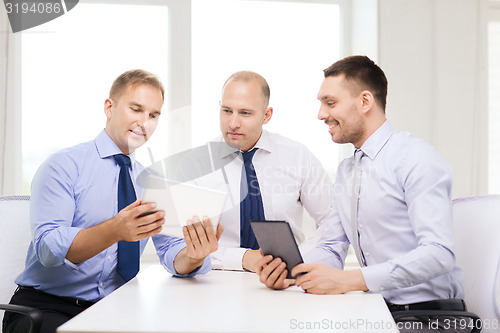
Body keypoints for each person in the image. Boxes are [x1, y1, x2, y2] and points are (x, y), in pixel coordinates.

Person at [256, 56, 471, 332]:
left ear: (365, 101)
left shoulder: (416, 159)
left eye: (330, 103)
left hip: (429, 317)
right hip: (378, 311)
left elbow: (438, 254)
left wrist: (350, 280)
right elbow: (331, 245)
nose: (321, 114)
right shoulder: (348, 170)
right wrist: (291, 272)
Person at [2, 69, 222, 333]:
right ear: (109, 107)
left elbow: (171, 251)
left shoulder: (153, 183)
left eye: (153, 115)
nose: (145, 122)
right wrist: (114, 230)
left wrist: (193, 255)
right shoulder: (64, 165)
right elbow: (48, 250)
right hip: (47, 308)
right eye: (136, 109)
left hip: (113, 310)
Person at [180, 71, 332, 272]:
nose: (233, 123)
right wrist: (243, 259)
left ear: (266, 115)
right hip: (218, 284)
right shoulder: (196, 165)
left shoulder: (298, 156)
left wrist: (298, 259)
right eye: (227, 111)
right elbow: (186, 244)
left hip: (289, 284)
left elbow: (332, 222)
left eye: (245, 113)